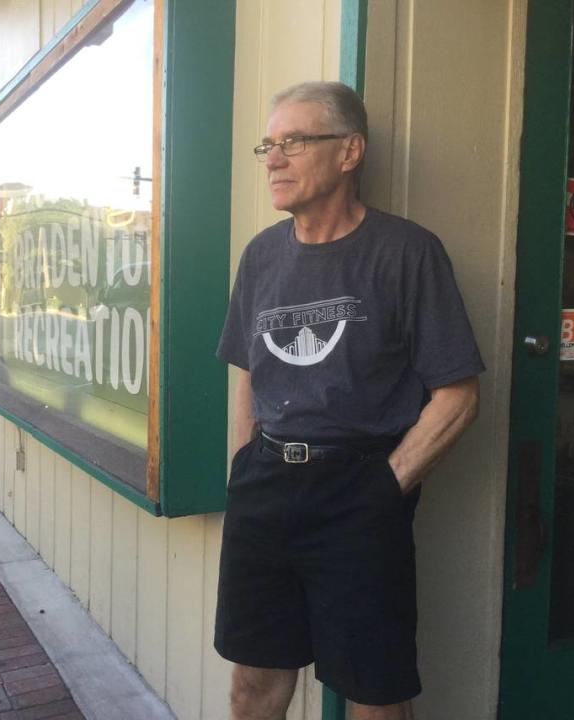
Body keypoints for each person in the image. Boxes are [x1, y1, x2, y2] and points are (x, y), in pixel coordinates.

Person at [214, 81, 484, 720]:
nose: (274, 159)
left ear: (350, 152)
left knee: (374, 695)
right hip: (266, 485)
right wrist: (244, 467)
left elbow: (458, 394)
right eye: (269, 145)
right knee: (253, 681)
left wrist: (386, 487)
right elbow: (248, 369)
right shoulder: (260, 257)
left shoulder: (407, 252)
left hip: (358, 491)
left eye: (295, 141)